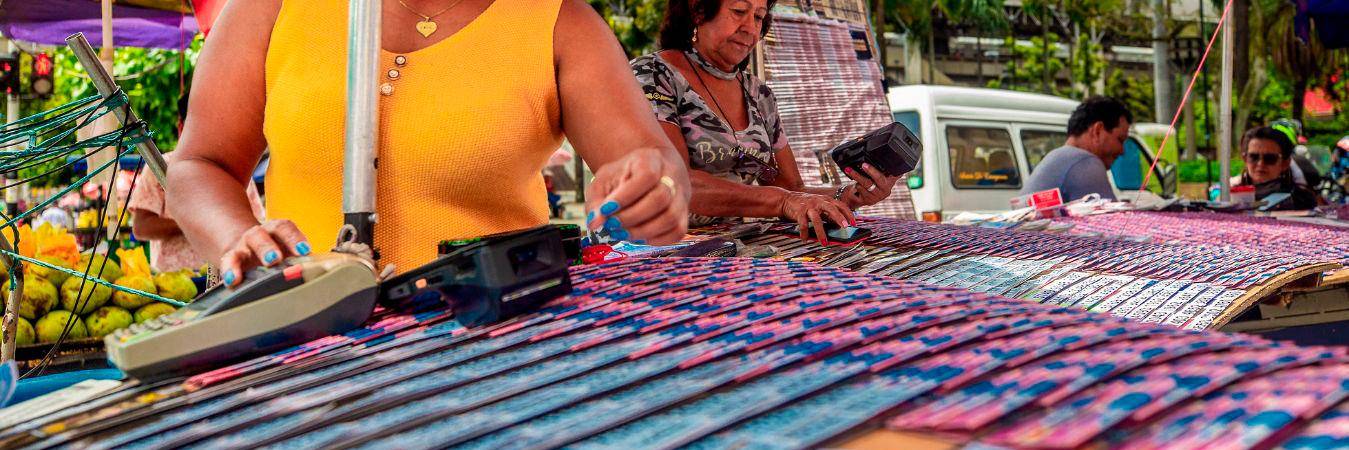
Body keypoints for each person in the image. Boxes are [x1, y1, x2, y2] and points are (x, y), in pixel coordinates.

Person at [167, 0, 692, 286]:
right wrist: (238, 240)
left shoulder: (560, 23)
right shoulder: (272, 7)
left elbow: (651, 159)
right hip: (305, 343)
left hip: (499, 341)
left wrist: (657, 185)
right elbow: (198, 164)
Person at [630, 0, 902, 243]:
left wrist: (853, 194)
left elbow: (792, 189)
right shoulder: (653, 76)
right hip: (648, 250)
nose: (751, 28)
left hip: (725, 254)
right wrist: (783, 201)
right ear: (699, 10)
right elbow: (675, 183)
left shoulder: (758, 95)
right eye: (739, 11)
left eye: (759, 17)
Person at [129, 152, 266, 273]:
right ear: (181, 128)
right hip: (172, 280)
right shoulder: (161, 165)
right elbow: (141, 227)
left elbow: (256, 224)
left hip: (227, 275)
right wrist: (196, 223)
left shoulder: (237, 169)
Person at [1020, 96, 1132, 202]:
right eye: (1120, 140)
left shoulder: (1057, 157)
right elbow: (1112, 221)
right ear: (1097, 131)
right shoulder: (1085, 162)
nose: (1122, 151)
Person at [1230, 126, 1322, 211]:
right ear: (1244, 159)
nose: (1260, 163)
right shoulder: (1228, 197)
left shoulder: (1301, 200)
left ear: (1285, 163)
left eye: (1270, 158)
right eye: (1253, 157)